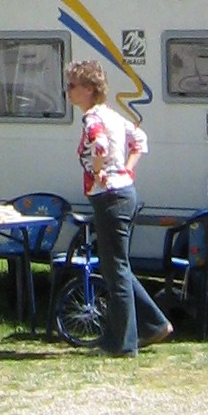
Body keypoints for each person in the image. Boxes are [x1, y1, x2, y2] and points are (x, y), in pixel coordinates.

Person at [66, 57, 173, 357]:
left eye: (72, 86)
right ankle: (154, 324)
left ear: (88, 88)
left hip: (109, 196)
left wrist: (101, 170)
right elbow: (140, 140)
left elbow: (99, 146)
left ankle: (121, 344)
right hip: (123, 192)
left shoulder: (93, 119)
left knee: (115, 270)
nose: (68, 92)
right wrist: (126, 169)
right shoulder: (112, 115)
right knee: (118, 267)